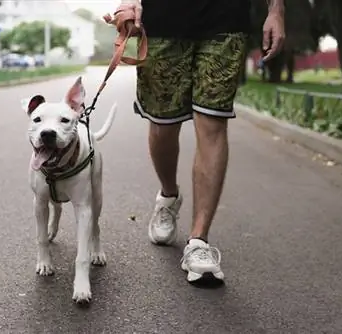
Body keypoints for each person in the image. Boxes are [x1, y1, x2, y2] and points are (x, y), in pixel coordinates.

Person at [119, 0, 285, 283]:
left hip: (226, 18)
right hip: (163, 19)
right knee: (163, 125)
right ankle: (169, 196)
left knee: (213, 123)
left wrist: (276, 10)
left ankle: (198, 242)